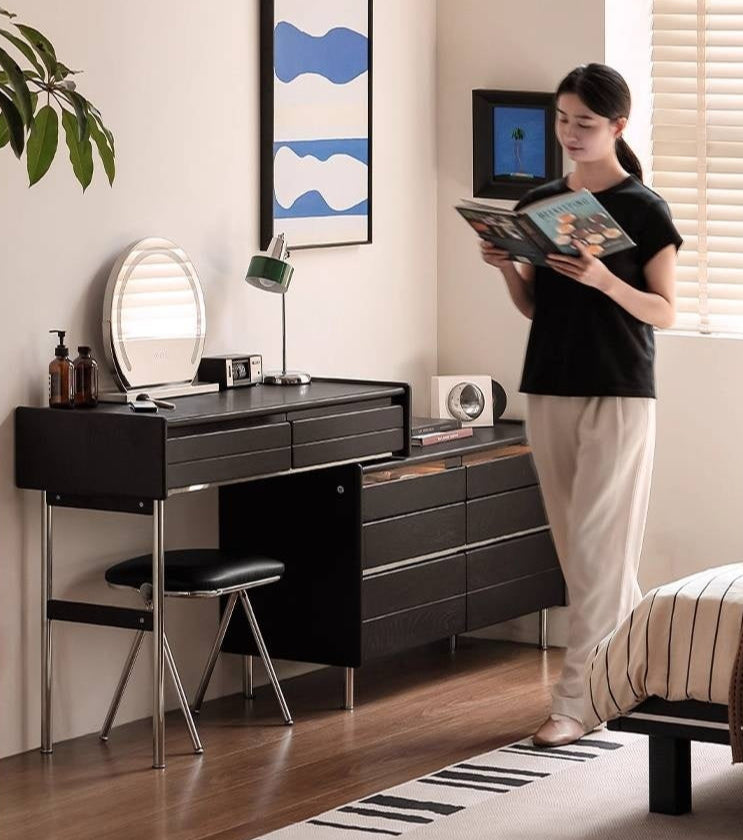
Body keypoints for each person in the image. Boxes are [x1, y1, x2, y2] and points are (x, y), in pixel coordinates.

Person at [480, 63, 682, 747]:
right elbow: (536, 308)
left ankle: (574, 704)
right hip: (549, 384)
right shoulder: (541, 201)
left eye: (584, 123)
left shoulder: (643, 207)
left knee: (600, 549)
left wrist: (601, 278)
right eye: (562, 119)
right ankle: (629, 678)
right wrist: (507, 265)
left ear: (617, 126)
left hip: (618, 388)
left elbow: (662, 310)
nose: (569, 133)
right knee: (579, 553)